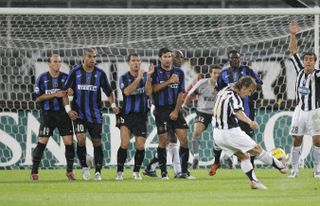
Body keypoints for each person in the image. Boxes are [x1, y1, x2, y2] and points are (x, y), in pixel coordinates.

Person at [212, 76, 287, 189]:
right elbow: (238, 112)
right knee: (257, 149)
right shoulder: (235, 97)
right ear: (244, 87)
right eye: (250, 91)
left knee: (244, 157)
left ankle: (254, 181)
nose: (249, 94)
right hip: (230, 132)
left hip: (217, 135)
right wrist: (250, 122)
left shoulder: (224, 89)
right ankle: (281, 166)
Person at [63, 48, 119, 181]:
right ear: (84, 57)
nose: (93, 59)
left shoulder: (100, 73)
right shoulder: (75, 72)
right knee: (81, 139)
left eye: (94, 56)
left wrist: (113, 105)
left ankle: (98, 171)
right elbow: (64, 92)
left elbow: (109, 92)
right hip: (78, 115)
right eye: (90, 56)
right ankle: (84, 168)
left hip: (95, 115)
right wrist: (68, 110)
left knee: (97, 141)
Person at [209, 50, 263, 176]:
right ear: (228, 59)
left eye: (237, 58)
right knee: (219, 138)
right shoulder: (223, 73)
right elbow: (218, 90)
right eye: (233, 58)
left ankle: (251, 167)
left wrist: (250, 91)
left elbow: (259, 84)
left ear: (240, 59)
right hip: (228, 114)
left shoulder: (247, 70)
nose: (235, 60)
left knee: (249, 141)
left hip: (246, 111)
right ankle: (216, 162)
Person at [147, 48, 192, 179]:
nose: (168, 59)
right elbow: (152, 90)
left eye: (169, 56)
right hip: (160, 109)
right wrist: (169, 82)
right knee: (163, 141)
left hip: (175, 109)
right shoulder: (154, 71)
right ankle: (163, 172)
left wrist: (176, 111)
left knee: (184, 140)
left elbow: (180, 93)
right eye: (165, 57)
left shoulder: (179, 72)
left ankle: (183, 171)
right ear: (160, 58)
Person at [31, 54, 75, 181]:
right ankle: (34, 172)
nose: (58, 64)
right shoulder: (42, 78)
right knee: (42, 142)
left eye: (59, 62)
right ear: (49, 64)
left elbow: (69, 93)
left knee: (69, 142)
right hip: (47, 114)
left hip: (63, 114)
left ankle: (70, 171)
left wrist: (71, 92)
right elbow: (38, 98)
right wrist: (55, 94)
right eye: (55, 62)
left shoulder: (66, 78)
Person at [288, 20, 320, 178]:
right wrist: (293, 34)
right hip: (300, 110)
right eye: (306, 59)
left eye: (310, 59)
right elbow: (293, 52)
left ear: (315, 62)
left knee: (318, 141)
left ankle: (317, 170)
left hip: (315, 111)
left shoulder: (318, 74)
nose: (307, 61)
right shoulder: (300, 70)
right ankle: (294, 170)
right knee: (297, 140)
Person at [115, 53, 153, 181]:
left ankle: (136, 171)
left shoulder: (145, 77)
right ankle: (120, 171)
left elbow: (148, 92)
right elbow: (126, 92)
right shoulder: (124, 77)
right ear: (128, 63)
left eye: (138, 60)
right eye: (133, 60)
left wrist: (147, 78)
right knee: (124, 143)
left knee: (140, 146)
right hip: (126, 115)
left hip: (141, 116)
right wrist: (138, 79)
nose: (136, 63)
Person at [182, 64, 221, 169]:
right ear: (210, 74)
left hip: (216, 113)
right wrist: (185, 108)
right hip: (202, 112)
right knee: (196, 132)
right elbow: (189, 95)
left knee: (220, 137)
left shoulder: (223, 85)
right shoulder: (202, 83)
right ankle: (195, 157)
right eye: (214, 73)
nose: (217, 75)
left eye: (219, 73)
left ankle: (226, 157)